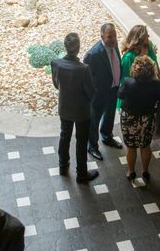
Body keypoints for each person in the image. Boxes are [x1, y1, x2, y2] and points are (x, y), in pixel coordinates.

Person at [51, 33, 99, 183]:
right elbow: (91, 93)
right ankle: (81, 174)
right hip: (81, 111)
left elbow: (56, 84)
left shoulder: (56, 63)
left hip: (65, 107)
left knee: (64, 136)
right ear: (78, 48)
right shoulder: (83, 69)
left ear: (65, 47)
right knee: (81, 141)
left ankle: (63, 166)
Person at [118, 55, 160, 181]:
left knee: (131, 147)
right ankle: (145, 171)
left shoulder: (128, 82)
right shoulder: (155, 83)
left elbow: (120, 95)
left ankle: (131, 171)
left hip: (129, 118)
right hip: (147, 118)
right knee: (145, 146)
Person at [83, 23, 123, 161]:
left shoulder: (115, 45)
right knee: (94, 120)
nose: (113, 39)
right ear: (102, 36)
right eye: (109, 37)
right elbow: (86, 77)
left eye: (115, 36)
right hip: (99, 94)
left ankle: (107, 136)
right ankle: (92, 146)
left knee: (110, 115)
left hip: (113, 89)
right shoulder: (93, 54)